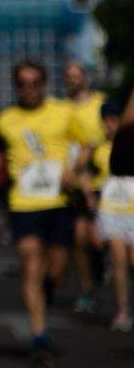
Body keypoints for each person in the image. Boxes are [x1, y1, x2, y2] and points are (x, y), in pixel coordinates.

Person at [0, 61, 85, 360]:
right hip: (24, 203)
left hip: (59, 201)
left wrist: (74, 170)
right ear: (15, 86)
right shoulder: (4, 120)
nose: (28, 89)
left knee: (56, 269)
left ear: (44, 84)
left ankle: (47, 289)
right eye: (22, 83)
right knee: (30, 262)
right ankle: (39, 332)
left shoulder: (64, 112)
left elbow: (86, 144)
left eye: (34, 83)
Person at [62, 59, 108, 314]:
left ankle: (102, 269)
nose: (73, 80)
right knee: (78, 239)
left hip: (103, 181)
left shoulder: (100, 103)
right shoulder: (62, 109)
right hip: (76, 184)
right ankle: (86, 289)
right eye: (69, 76)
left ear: (86, 77)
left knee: (99, 239)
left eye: (77, 75)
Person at [96, 99, 133, 333]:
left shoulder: (129, 144)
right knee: (118, 260)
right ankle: (122, 309)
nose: (110, 124)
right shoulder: (98, 149)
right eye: (106, 120)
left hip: (132, 206)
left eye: (114, 119)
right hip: (111, 209)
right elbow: (88, 176)